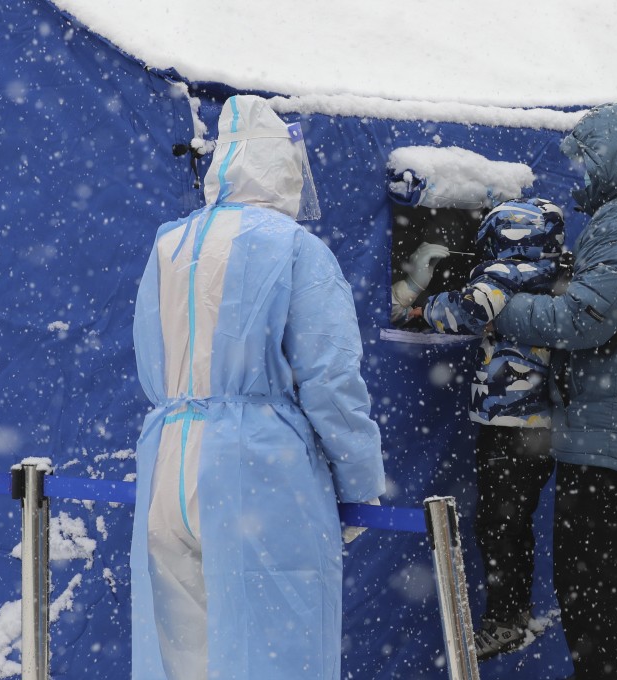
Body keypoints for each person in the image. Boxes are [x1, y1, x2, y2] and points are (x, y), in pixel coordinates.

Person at [130, 95, 386, 680]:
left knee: (182, 655)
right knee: (274, 650)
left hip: (168, 456)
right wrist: (359, 480)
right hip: (259, 469)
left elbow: (152, 354)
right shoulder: (296, 248)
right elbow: (332, 378)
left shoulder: (169, 245)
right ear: (284, 169)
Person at [493, 103, 617, 678]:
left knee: (595, 610)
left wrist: (502, 308)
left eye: (581, 161)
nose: (575, 177)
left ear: (610, 157)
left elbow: (584, 320)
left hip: (609, 444)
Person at [418, 197, 569, 660]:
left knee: (498, 523)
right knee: (515, 522)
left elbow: (465, 313)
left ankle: (507, 619)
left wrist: (426, 305)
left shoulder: (505, 274)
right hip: (544, 423)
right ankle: (517, 614)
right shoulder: (560, 272)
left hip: (510, 422)